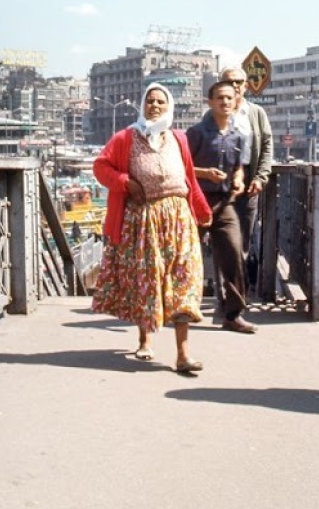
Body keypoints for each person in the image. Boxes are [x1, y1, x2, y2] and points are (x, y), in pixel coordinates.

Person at [91, 82, 212, 373]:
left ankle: (183, 354)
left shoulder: (178, 138)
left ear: (168, 107)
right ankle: (145, 339)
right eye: (150, 101)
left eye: (160, 102)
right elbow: (100, 167)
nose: (155, 106)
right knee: (147, 279)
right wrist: (124, 183)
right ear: (142, 105)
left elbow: (188, 179)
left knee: (184, 281)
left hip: (179, 219)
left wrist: (202, 209)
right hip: (143, 219)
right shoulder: (125, 138)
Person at [186, 80, 256, 334]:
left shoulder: (238, 135)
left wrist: (238, 178)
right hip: (197, 201)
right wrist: (204, 173)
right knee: (186, 257)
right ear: (210, 102)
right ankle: (177, 307)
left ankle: (233, 314)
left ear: (236, 101)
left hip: (225, 203)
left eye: (229, 98)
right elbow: (181, 167)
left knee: (234, 254)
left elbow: (238, 166)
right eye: (219, 98)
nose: (225, 102)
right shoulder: (196, 133)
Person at [218, 66, 275, 293]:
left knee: (242, 241)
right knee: (222, 241)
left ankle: (237, 296)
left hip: (249, 184)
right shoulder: (213, 113)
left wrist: (261, 177)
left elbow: (268, 145)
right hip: (220, 185)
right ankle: (224, 294)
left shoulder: (256, 113)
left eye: (239, 82)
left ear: (246, 86)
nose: (235, 87)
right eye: (229, 82)